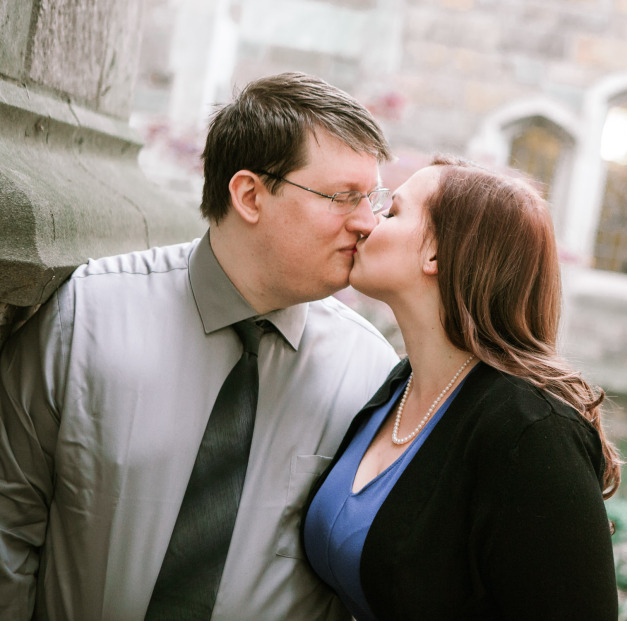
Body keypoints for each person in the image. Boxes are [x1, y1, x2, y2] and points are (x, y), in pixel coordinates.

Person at [0, 72, 399, 620]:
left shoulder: (371, 373)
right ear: (250, 195)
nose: (367, 223)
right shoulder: (84, 317)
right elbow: (9, 523)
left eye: (372, 199)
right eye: (342, 197)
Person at [302, 156, 622, 620]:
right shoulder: (396, 387)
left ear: (436, 253)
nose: (367, 223)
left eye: (392, 212)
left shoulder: (530, 432)